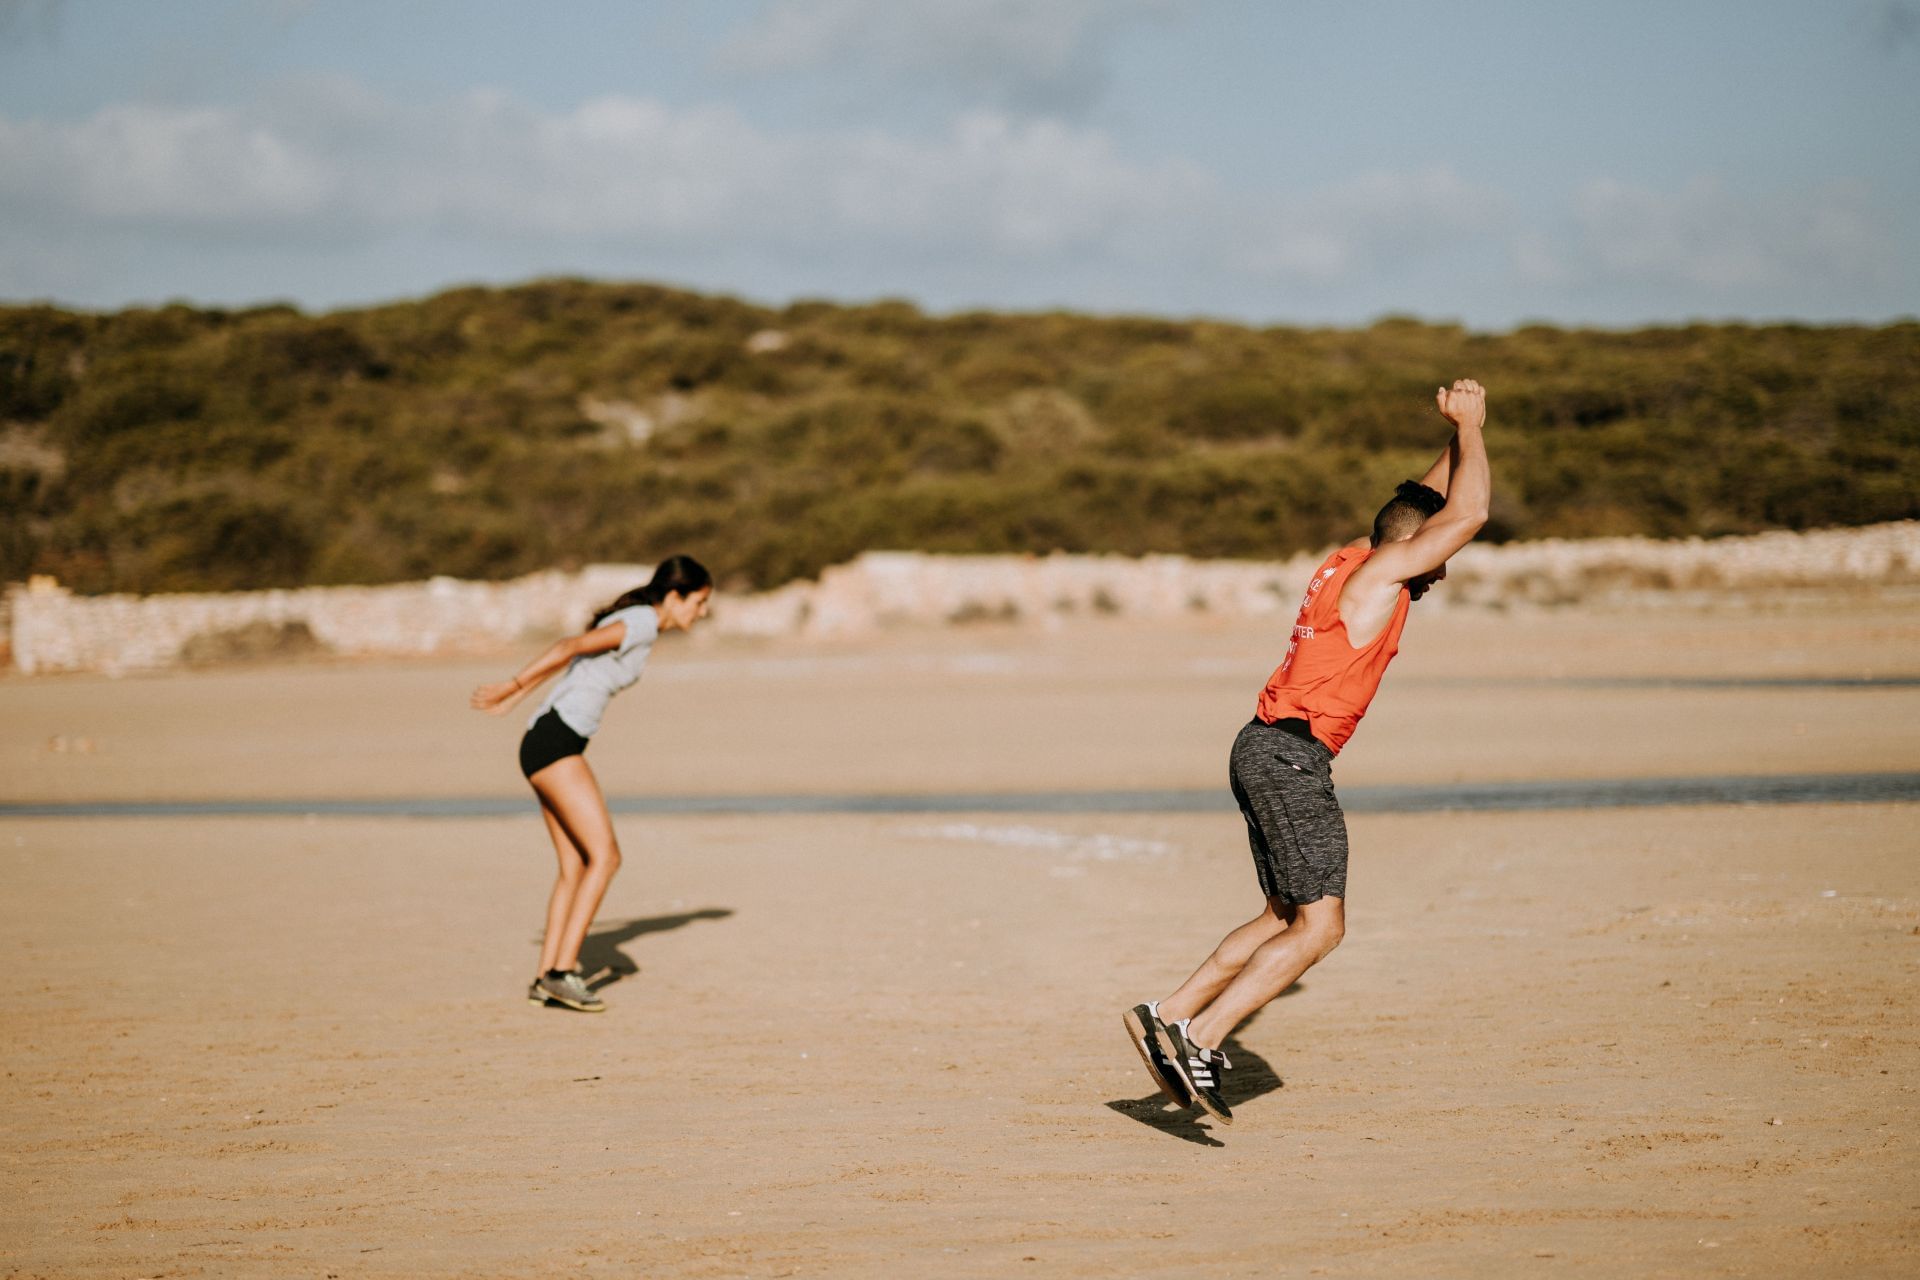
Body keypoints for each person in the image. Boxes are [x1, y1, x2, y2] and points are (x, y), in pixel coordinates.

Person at [1124, 380, 1491, 1123]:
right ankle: (1201, 1037)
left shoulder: (1352, 555)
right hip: (1291, 758)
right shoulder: (1382, 574)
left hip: (1260, 748)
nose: (1443, 569)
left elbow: (1417, 501)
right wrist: (1477, 429)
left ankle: (1169, 1012)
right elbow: (1469, 513)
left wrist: (1457, 431)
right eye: (1436, 555)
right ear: (1410, 548)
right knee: (1322, 926)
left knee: (1280, 914)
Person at [469, 554, 713, 1012]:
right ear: (676, 595)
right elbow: (568, 646)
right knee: (605, 858)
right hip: (556, 741)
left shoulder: (637, 620)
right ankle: (562, 973)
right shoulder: (641, 621)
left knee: (575, 865)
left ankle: (547, 977)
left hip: (546, 739)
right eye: (698, 603)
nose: (700, 613)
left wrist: (516, 695)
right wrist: (511, 687)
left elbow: (573, 659)